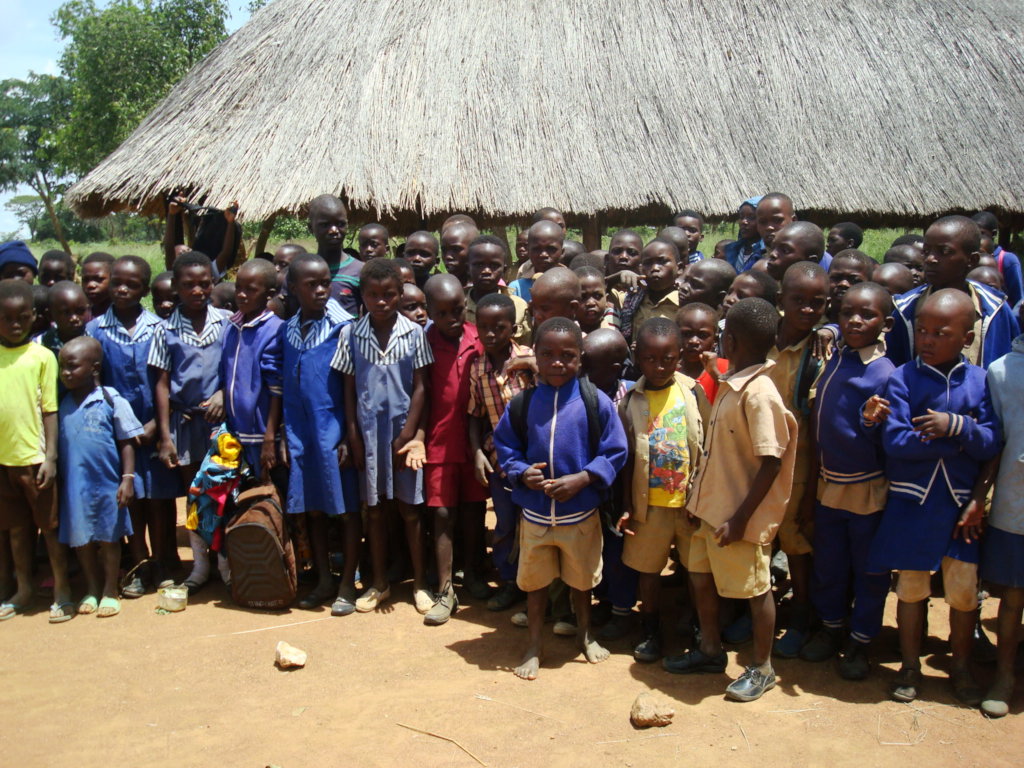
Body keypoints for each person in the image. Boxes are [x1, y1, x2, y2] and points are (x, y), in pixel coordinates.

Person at [864, 289, 1000, 705]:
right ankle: (909, 665)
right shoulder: (902, 377)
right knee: (910, 588)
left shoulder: (980, 381)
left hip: (961, 508)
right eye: (922, 330)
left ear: (966, 336)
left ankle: (959, 667)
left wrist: (957, 426)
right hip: (913, 504)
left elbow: (992, 442)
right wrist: (958, 442)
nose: (927, 339)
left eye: (940, 332)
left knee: (961, 592)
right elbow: (898, 442)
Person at [662, 297, 796, 702]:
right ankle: (710, 650)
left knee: (756, 591)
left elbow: (771, 462)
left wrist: (740, 520)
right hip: (709, 510)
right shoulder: (732, 381)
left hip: (738, 519)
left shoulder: (760, 394)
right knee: (700, 578)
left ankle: (762, 667)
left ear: (731, 340)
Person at [494, 317, 628, 680]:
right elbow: (506, 445)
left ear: (580, 358)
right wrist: (522, 471)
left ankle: (585, 635)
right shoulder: (522, 404)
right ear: (534, 355)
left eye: (566, 355)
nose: (556, 363)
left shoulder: (594, 401)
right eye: (547, 354)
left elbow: (615, 450)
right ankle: (535, 645)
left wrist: (584, 478)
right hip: (535, 519)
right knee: (535, 586)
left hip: (579, 517)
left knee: (582, 582)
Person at [798, 283, 895, 679]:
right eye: (846, 313)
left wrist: (871, 422)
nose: (854, 320)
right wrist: (831, 331)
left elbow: (886, 440)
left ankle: (861, 640)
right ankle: (831, 627)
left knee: (869, 570)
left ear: (885, 323)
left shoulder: (884, 374)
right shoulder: (836, 358)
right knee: (830, 563)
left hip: (866, 486)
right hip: (828, 483)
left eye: (866, 315)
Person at [332, 258, 432, 613]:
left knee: (409, 509)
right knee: (374, 511)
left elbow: (421, 387)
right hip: (369, 434)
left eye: (388, 294)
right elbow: (347, 388)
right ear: (363, 295)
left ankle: (420, 583)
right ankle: (378, 583)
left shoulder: (414, 333)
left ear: (399, 293)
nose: (381, 301)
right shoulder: (350, 334)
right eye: (373, 295)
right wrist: (354, 436)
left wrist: (408, 433)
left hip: (403, 434)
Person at [86, 256, 180, 596]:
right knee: (132, 499)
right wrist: (123, 430)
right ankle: (140, 564)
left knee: (160, 500)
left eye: (132, 284)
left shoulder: (159, 328)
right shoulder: (95, 330)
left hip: (156, 431)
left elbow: (167, 382)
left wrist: (156, 426)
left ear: (144, 289)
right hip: (118, 436)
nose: (123, 289)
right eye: (117, 283)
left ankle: (165, 562)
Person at [617, 318, 704, 663]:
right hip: (647, 507)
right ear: (638, 358)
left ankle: (701, 630)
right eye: (651, 359)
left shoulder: (692, 391)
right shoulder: (631, 401)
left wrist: (701, 497)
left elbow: (706, 446)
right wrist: (625, 504)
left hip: (688, 503)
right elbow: (626, 459)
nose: (659, 366)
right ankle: (650, 630)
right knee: (648, 571)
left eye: (667, 359)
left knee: (697, 572)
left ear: (679, 357)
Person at [280, 254, 361, 614]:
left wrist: (347, 436)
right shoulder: (288, 329)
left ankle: (347, 582)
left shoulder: (344, 327)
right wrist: (282, 434)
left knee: (345, 508)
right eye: (310, 285)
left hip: (333, 431)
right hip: (300, 432)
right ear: (293, 289)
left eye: (324, 283)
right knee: (311, 507)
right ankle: (325, 579)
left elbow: (352, 389)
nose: (320, 290)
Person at [149, 252, 228, 591]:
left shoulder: (226, 321)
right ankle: (199, 565)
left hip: (220, 424)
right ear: (176, 288)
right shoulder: (164, 330)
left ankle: (225, 561)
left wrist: (224, 393)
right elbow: (162, 384)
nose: (197, 291)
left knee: (222, 492)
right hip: (184, 424)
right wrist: (165, 437)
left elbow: (238, 366)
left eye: (204, 283)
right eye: (188, 285)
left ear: (213, 284)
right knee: (193, 494)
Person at [766, 262, 830, 657]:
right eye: (798, 301)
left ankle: (802, 615)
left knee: (796, 542)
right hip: (755, 461)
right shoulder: (760, 342)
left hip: (799, 466)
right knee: (759, 540)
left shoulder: (822, 351)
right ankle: (755, 608)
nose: (807, 310)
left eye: (817, 303)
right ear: (780, 301)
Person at [56, 336, 142, 620]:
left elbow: (127, 440)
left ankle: (109, 589)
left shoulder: (109, 398)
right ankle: (91, 587)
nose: (65, 373)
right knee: (81, 539)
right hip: (74, 485)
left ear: (94, 368)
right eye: (62, 368)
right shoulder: (63, 403)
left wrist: (127, 478)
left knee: (109, 537)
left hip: (106, 483)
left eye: (71, 367)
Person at [0, 278, 70, 623]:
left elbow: (50, 410)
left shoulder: (42, 357)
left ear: (33, 317)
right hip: (4, 462)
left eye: (22, 317)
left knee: (50, 527)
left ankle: (61, 590)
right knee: (15, 529)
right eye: (7, 317)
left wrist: (52, 457)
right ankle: (24, 588)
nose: (15, 324)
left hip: (35, 460)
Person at [421, 274, 488, 623]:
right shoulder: (423, 343)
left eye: (458, 310)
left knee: (475, 510)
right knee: (444, 514)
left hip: (474, 442)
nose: (452, 319)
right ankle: (446, 589)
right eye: (443, 312)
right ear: (429, 311)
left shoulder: (479, 337)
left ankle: (475, 572)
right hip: (438, 443)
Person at [468, 294, 535, 613]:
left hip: (535, 458)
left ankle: (535, 584)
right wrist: (477, 452)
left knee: (534, 524)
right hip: (499, 460)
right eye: (484, 327)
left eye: (499, 327)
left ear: (514, 327)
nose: (491, 333)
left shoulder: (527, 357)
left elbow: (553, 386)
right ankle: (509, 582)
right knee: (505, 523)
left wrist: (531, 364)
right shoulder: (477, 366)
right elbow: (474, 413)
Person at [887, 216, 1019, 369]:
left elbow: (1010, 363)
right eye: (926, 251)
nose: (930, 259)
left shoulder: (995, 308)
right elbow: (894, 365)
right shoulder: (906, 309)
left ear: (972, 260)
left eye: (944, 251)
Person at [978, 328, 1024, 716]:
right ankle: (1005, 675)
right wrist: (981, 497)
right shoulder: (1003, 371)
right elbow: (994, 442)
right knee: (1012, 596)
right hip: (1016, 500)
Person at [581, 328, 636, 639]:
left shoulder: (630, 395)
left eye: (589, 365)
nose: (582, 371)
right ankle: (603, 599)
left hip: (621, 489)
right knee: (596, 548)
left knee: (619, 551)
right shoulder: (581, 392)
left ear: (615, 368)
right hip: (592, 485)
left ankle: (622, 609)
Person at [220, 260, 283, 477]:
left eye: (251, 290)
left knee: (265, 496)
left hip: (261, 434)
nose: (242, 295)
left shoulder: (274, 330)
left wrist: (268, 437)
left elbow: (276, 391)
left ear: (269, 294)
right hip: (235, 431)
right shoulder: (231, 327)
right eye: (238, 288)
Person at [465, 235, 530, 343]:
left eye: (494, 265)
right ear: (468, 268)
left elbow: (525, 348)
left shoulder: (519, 307)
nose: (486, 271)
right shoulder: (459, 307)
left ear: (504, 270)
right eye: (479, 264)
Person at [307, 194, 363, 317]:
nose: (334, 230)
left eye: (340, 224)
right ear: (311, 228)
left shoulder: (360, 271)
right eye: (325, 225)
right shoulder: (302, 272)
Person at [619, 239, 680, 345]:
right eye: (648, 263)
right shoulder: (631, 300)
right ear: (640, 269)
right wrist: (617, 277)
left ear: (680, 268)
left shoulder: (684, 303)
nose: (655, 268)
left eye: (662, 261)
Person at [676, 302, 728, 403]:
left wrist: (714, 373)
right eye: (687, 334)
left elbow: (736, 400)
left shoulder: (725, 369)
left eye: (703, 335)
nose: (694, 341)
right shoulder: (667, 370)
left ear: (715, 340)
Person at [972, 211, 1023, 308]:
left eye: (982, 233)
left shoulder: (1007, 260)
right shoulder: (969, 257)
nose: (977, 237)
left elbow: (1017, 298)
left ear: (994, 233)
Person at [509, 220, 564, 302]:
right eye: (537, 249)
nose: (543, 255)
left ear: (562, 253)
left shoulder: (571, 284)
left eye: (551, 249)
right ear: (529, 251)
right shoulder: (516, 289)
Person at [826, 249, 876, 323]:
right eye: (836, 278)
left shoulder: (873, 328)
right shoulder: (811, 318)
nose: (843, 284)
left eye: (854, 280)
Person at [529, 267, 581, 333]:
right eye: (534, 308)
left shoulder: (582, 342)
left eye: (545, 309)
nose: (537, 315)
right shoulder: (536, 337)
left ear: (572, 307)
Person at [724, 197, 764, 273]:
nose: (744, 222)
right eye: (741, 217)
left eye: (752, 217)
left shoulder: (766, 252)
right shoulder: (732, 250)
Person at [575, 265, 618, 333]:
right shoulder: (568, 333)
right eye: (583, 297)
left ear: (606, 300)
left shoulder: (612, 331)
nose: (591, 303)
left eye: (597, 296)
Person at [441, 221, 480, 288]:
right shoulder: (439, 289)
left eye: (456, 249)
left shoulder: (492, 291)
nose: (448, 257)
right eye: (444, 250)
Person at [81, 252, 115, 319]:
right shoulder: (80, 317)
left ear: (114, 279)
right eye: (85, 279)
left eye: (98, 279)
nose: (90, 285)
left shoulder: (125, 316)